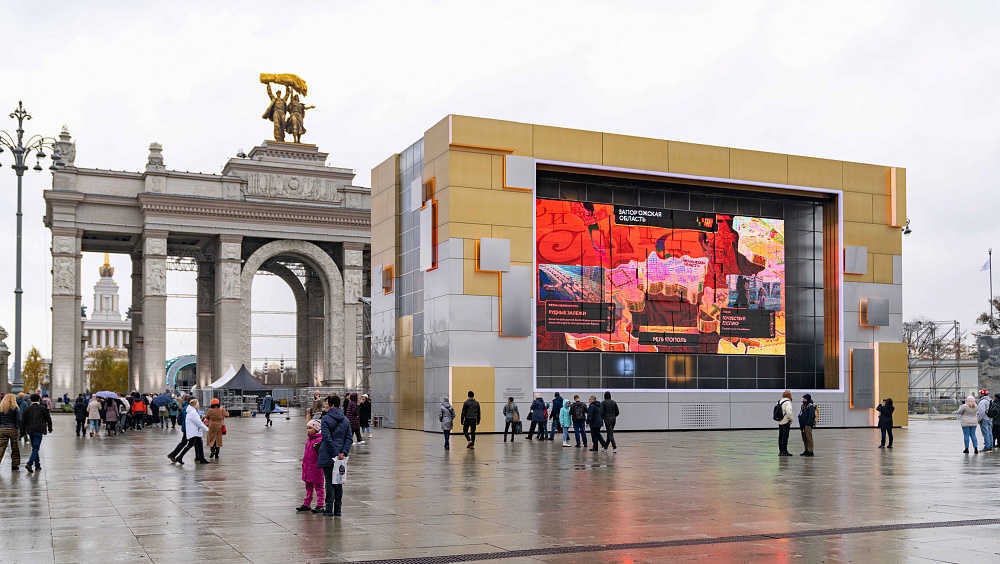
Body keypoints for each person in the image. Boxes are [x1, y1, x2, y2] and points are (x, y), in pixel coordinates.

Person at [317, 394, 352, 516]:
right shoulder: (345, 420)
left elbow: (326, 438)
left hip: (328, 454)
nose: (325, 406)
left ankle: (328, 509)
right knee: (338, 482)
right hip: (341, 456)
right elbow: (349, 438)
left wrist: (335, 454)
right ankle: (338, 510)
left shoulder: (326, 419)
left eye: (326, 404)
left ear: (332, 405)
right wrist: (343, 452)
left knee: (329, 482)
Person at [298, 419, 326, 513]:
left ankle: (320, 504)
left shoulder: (319, 440)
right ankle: (307, 503)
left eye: (310, 428)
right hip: (307, 467)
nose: (308, 430)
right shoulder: (309, 440)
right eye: (307, 428)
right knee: (308, 487)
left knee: (318, 486)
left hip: (316, 467)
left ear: (316, 429)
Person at [20, 394, 53, 473]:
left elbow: (23, 421)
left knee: (35, 447)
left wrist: (22, 431)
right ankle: (29, 463)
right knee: (36, 447)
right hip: (39, 430)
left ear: (31, 400)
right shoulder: (43, 408)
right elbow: (48, 419)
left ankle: (37, 465)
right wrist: (50, 428)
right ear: (39, 400)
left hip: (30, 430)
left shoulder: (27, 409)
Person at [175, 398, 210, 465]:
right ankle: (180, 457)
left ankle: (202, 458)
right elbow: (198, 423)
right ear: (195, 406)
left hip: (194, 431)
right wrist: (207, 429)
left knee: (199, 444)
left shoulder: (191, 412)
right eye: (198, 405)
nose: (199, 406)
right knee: (190, 445)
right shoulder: (193, 413)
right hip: (194, 432)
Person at [167, 395, 191, 463]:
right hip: (187, 428)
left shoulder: (186, 406)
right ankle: (174, 455)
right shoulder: (187, 408)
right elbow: (187, 419)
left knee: (193, 442)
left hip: (187, 428)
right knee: (185, 442)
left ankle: (199, 456)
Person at [0, 393, 21, 471]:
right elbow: (18, 419)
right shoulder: (15, 408)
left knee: (1, 447)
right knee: (15, 447)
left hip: (2, 429)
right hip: (12, 429)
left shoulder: (1, 408)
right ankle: (15, 464)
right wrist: (17, 427)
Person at [776, 390, 794, 456]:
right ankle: (784, 451)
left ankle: (781, 451)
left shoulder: (779, 401)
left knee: (780, 436)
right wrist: (791, 419)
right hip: (786, 421)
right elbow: (789, 412)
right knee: (785, 437)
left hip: (780, 421)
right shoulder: (788, 402)